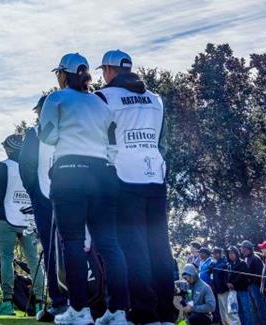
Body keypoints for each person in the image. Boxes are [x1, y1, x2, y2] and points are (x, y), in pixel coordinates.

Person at [38, 53, 129, 325]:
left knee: (74, 243)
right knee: (110, 245)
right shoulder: (100, 102)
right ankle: (118, 312)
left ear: (63, 74)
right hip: (103, 174)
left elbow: (48, 135)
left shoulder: (56, 98)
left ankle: (79, 310)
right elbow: (113, 143)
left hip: (70, 173)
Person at [95, 49, 176, 325]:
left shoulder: (104, 97)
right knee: (160, 247)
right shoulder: (156, 99)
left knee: (133, 248)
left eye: (103, 70)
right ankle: (167, 312)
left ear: (109, 70)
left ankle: (144, 313)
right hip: (155, 176)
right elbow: (162, 142)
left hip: (123, 176)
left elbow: (101, 140)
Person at [19, 94, 69, 322]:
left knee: (66, 247)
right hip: (47, 196)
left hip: (64, 195)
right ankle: (61, 301)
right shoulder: (35, 133)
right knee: (54, 249)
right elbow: (26, 167)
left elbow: (26, 166)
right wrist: (35, 192)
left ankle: (73, 300)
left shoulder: (64, 129)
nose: (39, 115)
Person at [0, 133, 44, 315]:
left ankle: (7, 303)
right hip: (29, 220)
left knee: (6, 259)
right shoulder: (33, 167)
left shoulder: (3, 166)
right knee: (34, 262)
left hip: (7, 218)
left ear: (8, 148)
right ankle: (39, 304)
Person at [242, 241, 266, 325]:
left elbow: (260, 274)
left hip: (256, 287)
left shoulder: (255, 258)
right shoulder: (246, 258)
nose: (241, 249)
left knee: (260, 307)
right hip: (249, 287)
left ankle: (265, 323)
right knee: (253, 309)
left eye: (242, 247)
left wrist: (251, 281)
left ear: (247, 249)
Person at [228, 246, 256, 325]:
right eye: (229, 253)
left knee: (246, 310)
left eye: (232, 253)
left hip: (243, 290)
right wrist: (228, 283)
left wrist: (233, 284)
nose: (231, 255)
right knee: (239, 310)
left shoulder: (242, 263)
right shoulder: (231, 264)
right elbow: (229, 276)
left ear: (236, 253)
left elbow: (242, 276)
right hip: (234, 291)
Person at [212, 247, 240, 325]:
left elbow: (227, 277)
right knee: (222, 312)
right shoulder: (215, 263)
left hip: (226, 291)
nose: (215, 255)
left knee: (230, 311)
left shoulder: (225, 263)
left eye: (216, 254)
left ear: (221, 254)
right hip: (218, 291)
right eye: (214, 254)